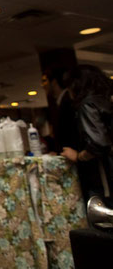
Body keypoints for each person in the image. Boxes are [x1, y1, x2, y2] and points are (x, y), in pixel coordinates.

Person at [60, 65, 113, 203]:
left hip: (105, 177)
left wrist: (78, 156)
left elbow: (99, 144)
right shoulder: (105, 101)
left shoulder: (88, 105)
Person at [42, 67, 77, 153]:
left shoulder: (68, 101)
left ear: (54, 82)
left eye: (44, 81)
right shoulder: (61, 101)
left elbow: (71, 132)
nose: (43, 85)